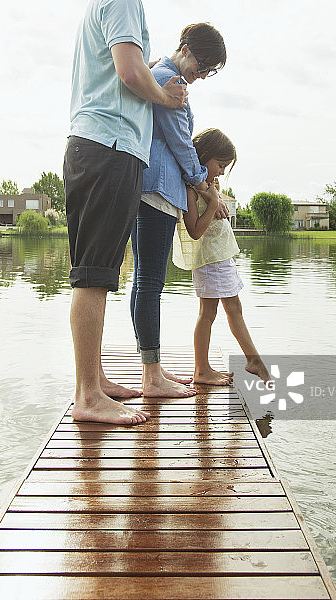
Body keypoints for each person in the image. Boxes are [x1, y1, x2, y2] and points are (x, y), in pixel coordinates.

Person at [64, 0, 188, 425]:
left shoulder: (110, 0)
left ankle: (94, 382)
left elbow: (132, 65)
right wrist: (167, 96)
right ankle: (88, 397)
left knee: (101, 273)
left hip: (109, 149)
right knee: (93, 276)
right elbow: (130, 71)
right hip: (107, 147)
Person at [130, 24, 228, 397]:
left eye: (208, 72)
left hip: (148, 183)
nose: (201, 76)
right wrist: (202, 180)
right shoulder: (170, 81)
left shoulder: (159, 74)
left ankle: (150, 367)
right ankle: (152, 376)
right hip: (157, 186)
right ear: (185, 49)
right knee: (151, 281)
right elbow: (182, 143)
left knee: (144, 279)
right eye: (202, 66)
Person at [173, 128, 270, 386]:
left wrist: (215, 197)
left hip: (220, 256)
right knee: (209, 312)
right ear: (203, 155)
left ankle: (250, 359)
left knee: (231, 308)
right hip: (209, 258)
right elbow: (194, 230)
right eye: (220, 165)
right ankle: (204, 369)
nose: (222, 172)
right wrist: (214, 204)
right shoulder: (192, 189)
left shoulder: (207, 184)